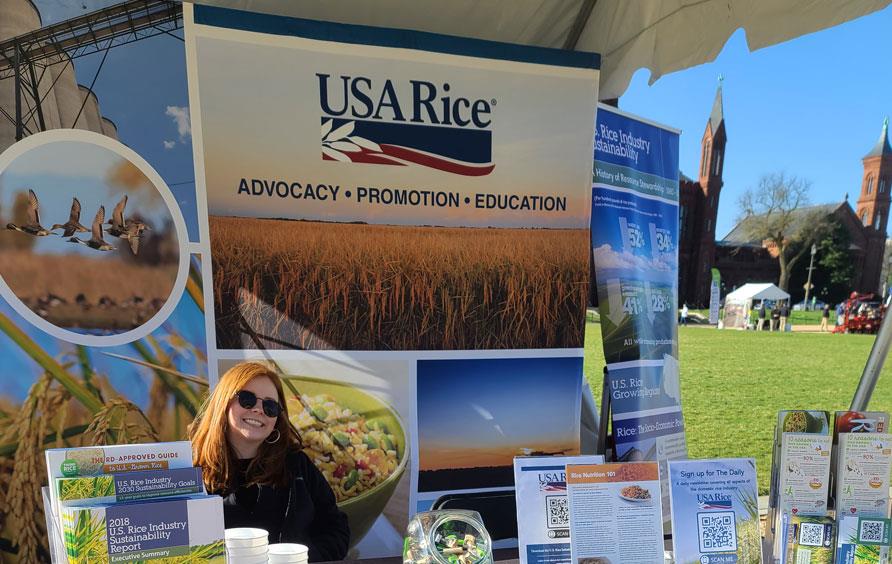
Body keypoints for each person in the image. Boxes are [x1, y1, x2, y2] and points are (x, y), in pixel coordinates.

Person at [190, 362, 350, 562]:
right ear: (224, 402)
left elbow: (336, 529)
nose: (259, 410)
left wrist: (304, 558)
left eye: (270, 406)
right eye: (247, 399)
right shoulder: (189, 470)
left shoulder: (297, 465)